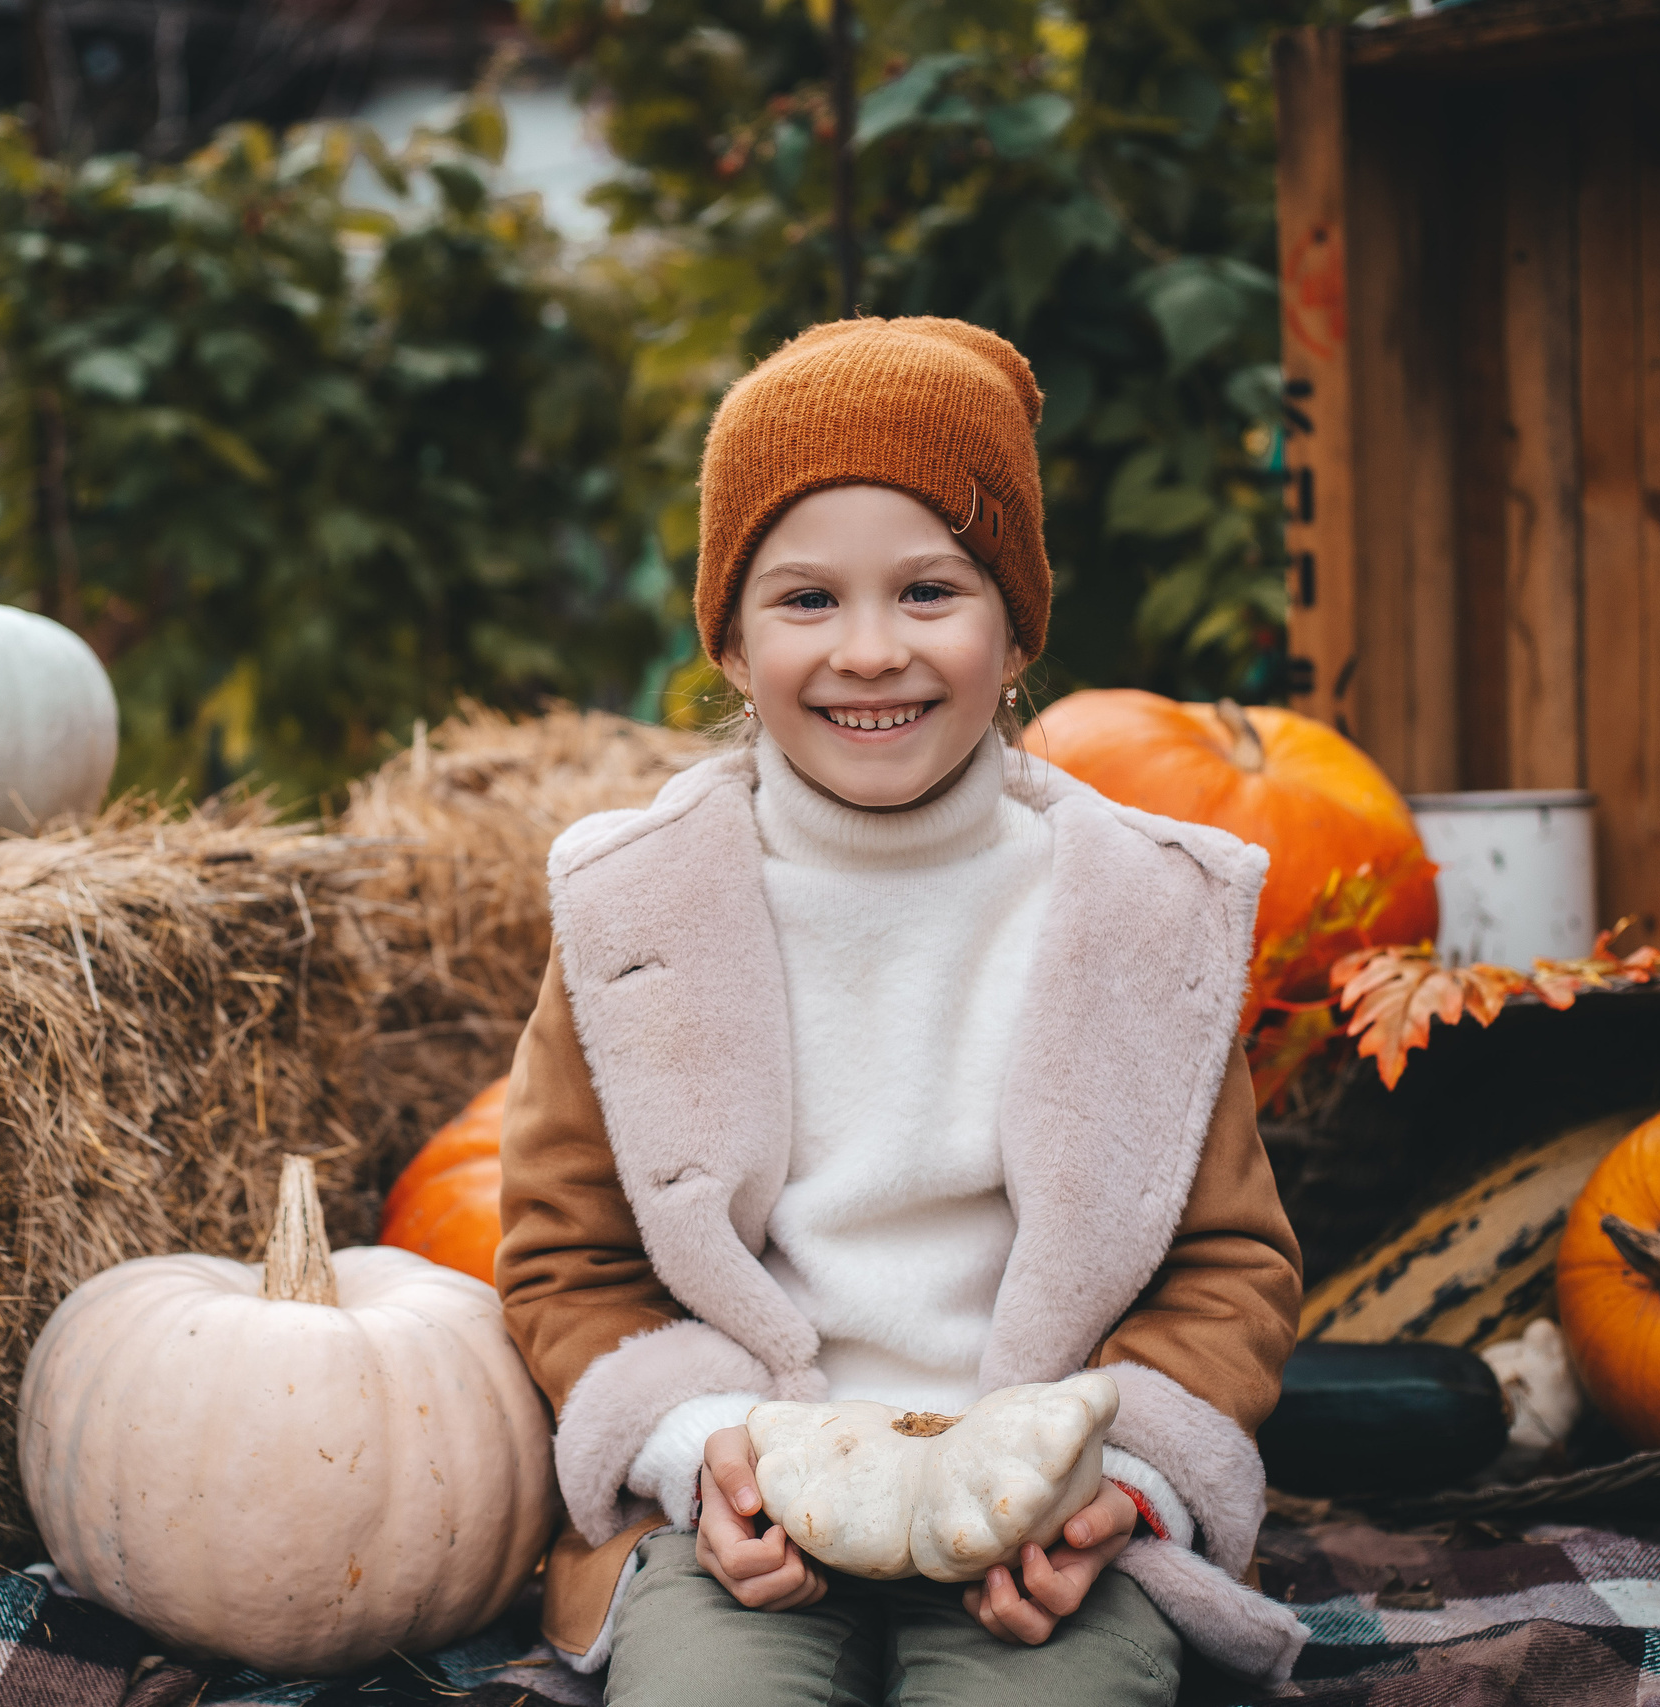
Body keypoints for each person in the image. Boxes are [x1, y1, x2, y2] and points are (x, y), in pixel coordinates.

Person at [494, 316, 1307, 1707]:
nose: (871, 652)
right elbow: (568, 1261)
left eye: (929, 591)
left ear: (1015, 630)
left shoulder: (1140, 916)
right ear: (734, 645)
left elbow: (1227, 1263)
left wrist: (1115, 1484)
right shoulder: (635, 915)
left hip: (1037, 1509)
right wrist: (700, 1447)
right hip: (746, 1500)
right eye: (807, 601)